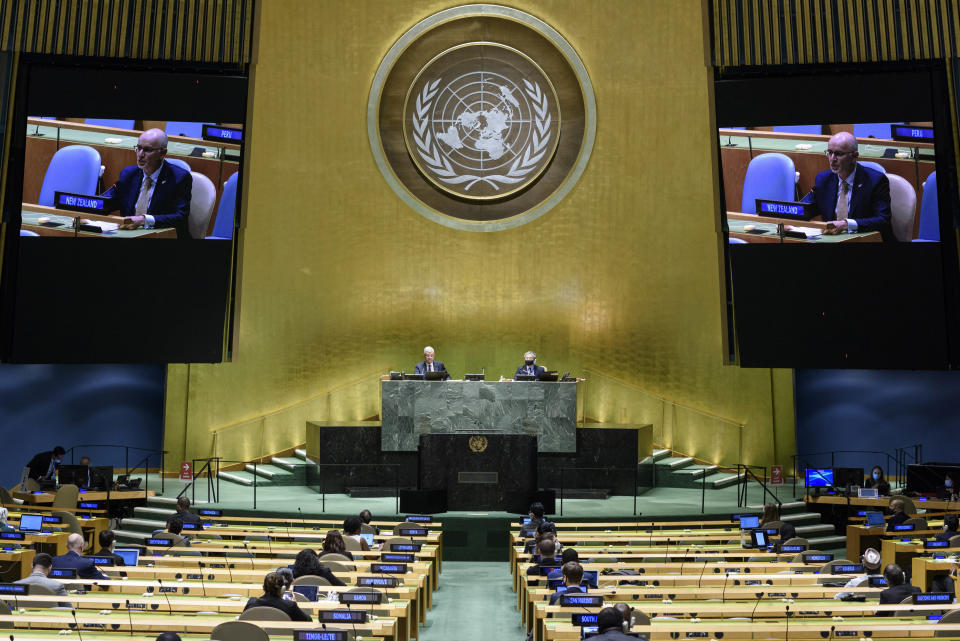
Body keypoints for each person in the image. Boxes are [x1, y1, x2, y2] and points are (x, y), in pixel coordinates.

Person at [100, 128, 192, 238]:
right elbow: (106, 201)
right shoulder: (129, 174)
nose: (140, 154)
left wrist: (144, 220)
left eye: (147, 150)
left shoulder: (179, 177)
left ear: (162, 153)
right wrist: (88, 210)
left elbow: (180, 217)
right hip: (128, 235)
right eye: (138, 148)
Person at [802, 131, 893, 241]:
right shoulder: (824, 179)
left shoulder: (875, 180)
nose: (832, 159)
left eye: (839, 154)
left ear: (854, 156)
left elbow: (883, 220)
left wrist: (846, 224)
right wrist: (789, 218)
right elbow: (805, 208)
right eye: (829, 152)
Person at [243, 571, 311, 622]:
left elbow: (243, 619)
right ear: (283, 589)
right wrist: (295, 606)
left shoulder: (252, 602)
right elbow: (308, 620)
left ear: (263, 588)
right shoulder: (290, 606)